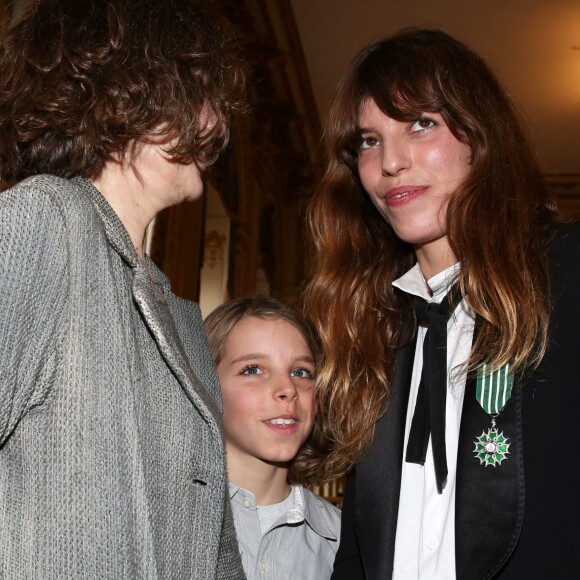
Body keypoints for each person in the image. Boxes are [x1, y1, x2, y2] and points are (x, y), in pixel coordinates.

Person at [303, 27, 580, 580]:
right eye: (368, 140)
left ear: (480, 135)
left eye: (420, 124)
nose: (391, 162)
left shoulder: (567, 275)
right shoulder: (371, 326)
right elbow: (359, 548)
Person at [0, 0, 247, 577]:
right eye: (194, 90)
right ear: (120, 96)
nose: (215, 120)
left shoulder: (183, 318)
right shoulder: (46, 223)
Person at [204, 297, 341, 580]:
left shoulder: (341, 541)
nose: (288, 389)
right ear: (205, 382)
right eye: (253, 369)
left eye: (300, 372)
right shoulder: (165, 518)